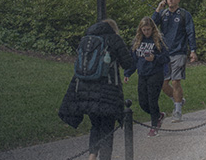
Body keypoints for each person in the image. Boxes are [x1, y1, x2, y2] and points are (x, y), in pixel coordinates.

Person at [58, 19, 134, 160]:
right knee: (107, 128)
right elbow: (128, 63)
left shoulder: (86, 39)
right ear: (114, 29)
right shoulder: (114, 39)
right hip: (108, 91)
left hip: (85, 90)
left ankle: (91, 156)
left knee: (95, 125)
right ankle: (105, 158)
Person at [153, 0, 197, 123]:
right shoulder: (163, 14)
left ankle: (177, 111)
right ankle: (178, 100)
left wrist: (193, 50)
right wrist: (158, 9)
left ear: (178, 0)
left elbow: (190, 32)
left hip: (179, 51)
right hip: (165, 53)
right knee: (163, 83)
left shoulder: (184, 14)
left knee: (175, 81)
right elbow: (152, 25)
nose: (170, 0)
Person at [123, 17, 169, 137]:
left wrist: (155, 58)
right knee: (143, 102)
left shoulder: (158, 40)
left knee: (152, 100)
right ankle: (158, 115)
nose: (146, 32)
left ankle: (154, 126)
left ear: (152, 29)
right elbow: (133, 60)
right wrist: (127, 73)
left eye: (148, 29)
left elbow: (166, 58)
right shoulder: (138, 41)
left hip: (155, 73)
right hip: (142, 74)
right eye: (144, 30)